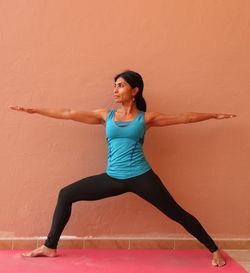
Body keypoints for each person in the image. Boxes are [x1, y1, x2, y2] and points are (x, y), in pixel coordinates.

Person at [9, 70, 236, 266]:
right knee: (66, 194)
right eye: (114, 86)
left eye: (120, 85)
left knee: (176, 212)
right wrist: (35, 110)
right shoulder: (105, 116)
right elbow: (68, 113)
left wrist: (213, 115)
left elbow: (184, 118)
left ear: (134, 90)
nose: (115, 90)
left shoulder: (146, 118)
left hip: (141, 176)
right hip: (112, 178)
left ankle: (214, 249)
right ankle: (50, 246)